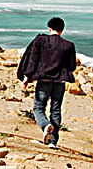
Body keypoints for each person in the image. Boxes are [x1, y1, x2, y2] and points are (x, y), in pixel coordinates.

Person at [17, 17, 77, 149]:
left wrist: (27, 77)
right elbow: (72, 67)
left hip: (43, 80)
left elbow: (33, 60)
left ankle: (45, 125)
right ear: (62, 30)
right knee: (55, 111)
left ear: (49, 28)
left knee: (38, 108)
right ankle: (53, 142)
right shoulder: (69, 45)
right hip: (60, 82)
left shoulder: (41, 40)